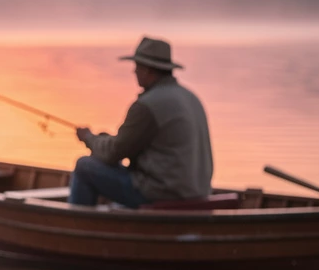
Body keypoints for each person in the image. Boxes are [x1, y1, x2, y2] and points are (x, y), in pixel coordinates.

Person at [69, 36, 213, 207]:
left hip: (162, 193)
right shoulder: (190, 98)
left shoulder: (147, 105)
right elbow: (136, 146)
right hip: (197, 192)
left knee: (85, 166)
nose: (134, 71)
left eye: (137, 66)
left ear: (147, 70)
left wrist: (88, 138)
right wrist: (104, 140)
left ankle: (76, 223)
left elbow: (113, 154)